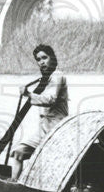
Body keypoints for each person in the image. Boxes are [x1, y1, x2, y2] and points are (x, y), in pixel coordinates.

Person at [10, 44, 68, 180]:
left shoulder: (57, 76)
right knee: (18, 152)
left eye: (44, 58)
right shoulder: (46, 78)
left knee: (51, 163)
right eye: (38, 59)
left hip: (57, 129)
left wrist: (28, 95)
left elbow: (50, 99)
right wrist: (29, 94)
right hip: (43, 129)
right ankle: (13, 184)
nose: (41, 62)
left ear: (52, 58)